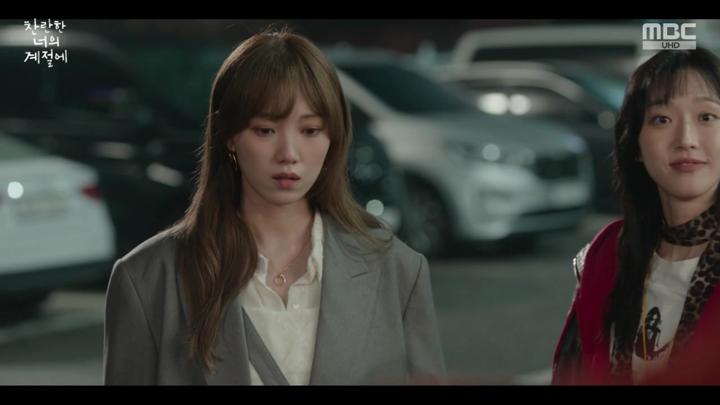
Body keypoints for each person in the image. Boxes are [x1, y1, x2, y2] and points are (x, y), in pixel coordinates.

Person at [103, 28, 446, 385]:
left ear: (333, 138)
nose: (289, 154)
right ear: (229, 136)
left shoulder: (397, 270)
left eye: (310, 130)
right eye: (265, 130)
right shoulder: (147, 279)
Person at [552, 47, 720, 385]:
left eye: (707, 117)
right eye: (662, 119)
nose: (686, 140)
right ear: (637, 146)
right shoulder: (607, 255)